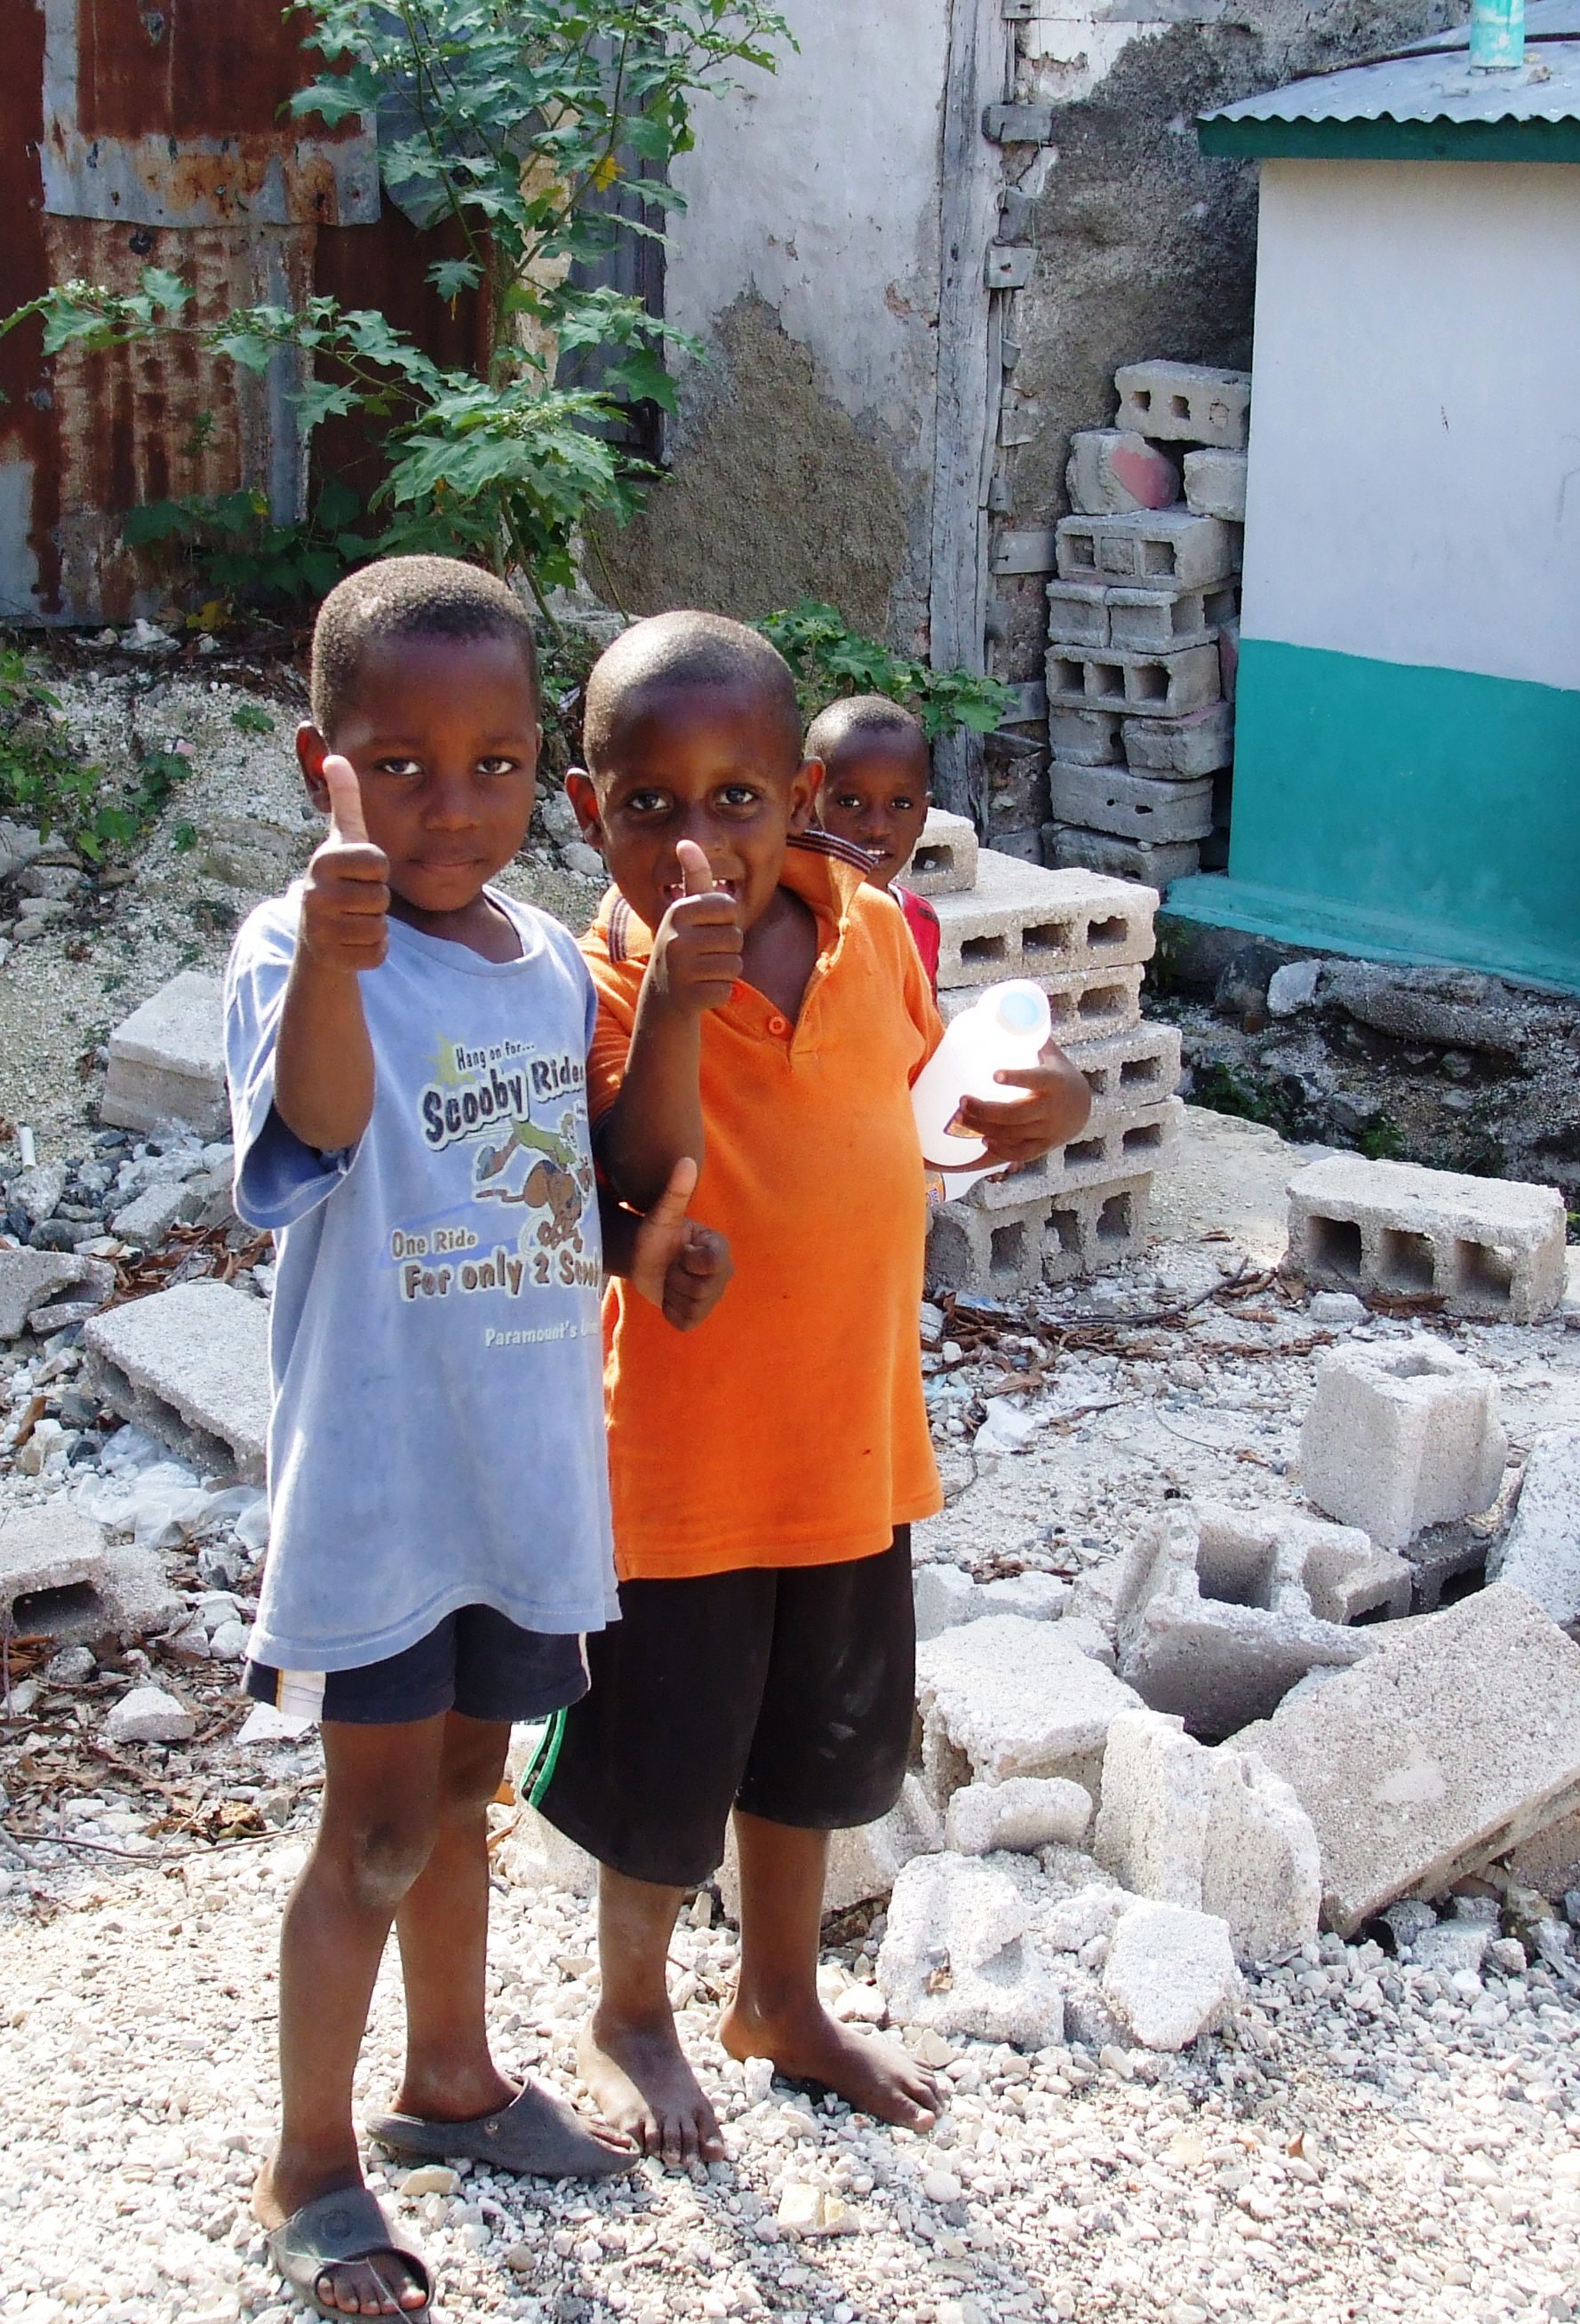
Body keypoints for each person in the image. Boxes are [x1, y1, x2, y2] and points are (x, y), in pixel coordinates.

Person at [226, 559, 733, 2316]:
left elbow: (571, 1193)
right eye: (404, 764)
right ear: (324, 766)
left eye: (497, 764)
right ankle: (311, 2165)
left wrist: (663, 1062)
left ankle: (452, 2082)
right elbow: (323, 1128)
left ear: (541, 772)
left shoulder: (532, 966)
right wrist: (339, 956)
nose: (455, 807)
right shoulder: (302, 946)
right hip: (381, 1480)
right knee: (365, 1829)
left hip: (519, 1469)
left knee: (460, 1800)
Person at [525, 611, 1093, 2163]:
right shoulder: (586, 980)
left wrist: (1045, 1105)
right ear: (588, 810)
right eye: (649, 805)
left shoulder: (865, 935)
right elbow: (622, 1176)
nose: (695, 840)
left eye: (736, 800)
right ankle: (632, 2003)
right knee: (660, 1764)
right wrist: (676, 1003)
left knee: (813, 1750)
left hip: (847, 1438)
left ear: (801, 797)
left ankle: (778, 1992)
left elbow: (932, 1117)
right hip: (677, 1463)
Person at [801, 693, 944, 978]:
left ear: (923, 817)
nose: (877, 827)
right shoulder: (790, 928)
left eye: (900, 804)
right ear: (807, 806)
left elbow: (923, 1022)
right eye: (850, 803)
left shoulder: (920, 921)